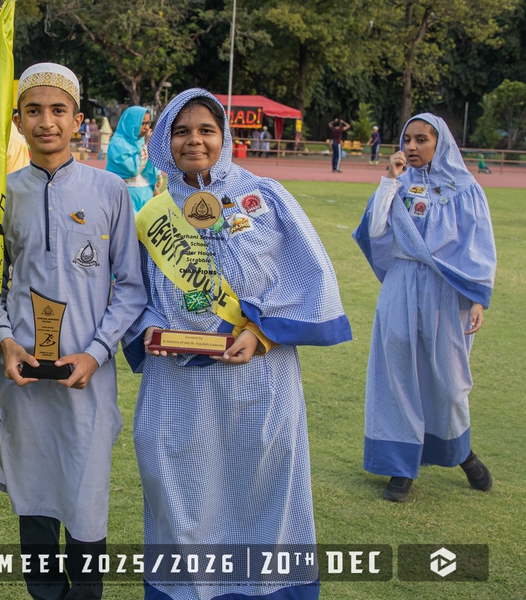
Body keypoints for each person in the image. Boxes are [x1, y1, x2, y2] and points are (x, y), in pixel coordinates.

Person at [123, 89, 351, 600]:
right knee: (179, 492)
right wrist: (154, 332)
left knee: (263, 494)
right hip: (177, 384)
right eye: (181, 131)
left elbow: (309, 274)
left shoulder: (263, 197)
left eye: (206, 130)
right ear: (163, 142)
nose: (194, 141)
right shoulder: (152, 213)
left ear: (223, 137)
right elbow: (132, 290)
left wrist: (261, 333)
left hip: (259, 380)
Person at [0, 63, 146, 600]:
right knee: (33, 504)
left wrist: (95, 353)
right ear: (18, 121)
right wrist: (7, 340)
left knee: (86, 501)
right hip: (23, 377)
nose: (46, 122)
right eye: (34, 111)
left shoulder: (109, 190)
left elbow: (130, 287)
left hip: (87, 381)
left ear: (79, 120)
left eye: (58, 110)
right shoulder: (2, 193)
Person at [353, 114, 496, 503]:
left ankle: (460, 451)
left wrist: (478, 297)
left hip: (446, 289)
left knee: (449, 379)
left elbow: (479, 243)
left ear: (440, 143)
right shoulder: (398, 184)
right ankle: (401, 468)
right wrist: (389, 179)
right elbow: (375, 229)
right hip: (401, 282)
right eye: (407, 139)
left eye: (422, 140)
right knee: (397, 372)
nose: (412, 147)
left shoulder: (465, 189)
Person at [107, 106, 156, 212]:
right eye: (143, 123)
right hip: (126, 195)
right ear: (131, 123)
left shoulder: (142, 140)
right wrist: (146, 146)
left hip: (146, 195)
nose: (147, 128)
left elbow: (151, 169)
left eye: (148, 123)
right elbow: (133, 169)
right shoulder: (118, 143)